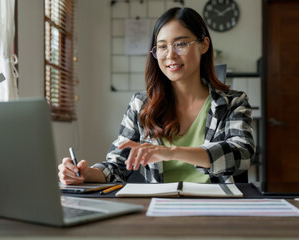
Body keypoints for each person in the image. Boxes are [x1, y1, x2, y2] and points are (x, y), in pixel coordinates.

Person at [58, 7, 255, 185]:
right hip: (158, 208)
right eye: (162, 46)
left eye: (181, 44)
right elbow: (117, 165)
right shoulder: (141, 104)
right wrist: (86, 173)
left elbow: (242, 155)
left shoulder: (232, 102)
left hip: (215, 209)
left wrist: (171, 153)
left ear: (203, 45)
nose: (170, 55)